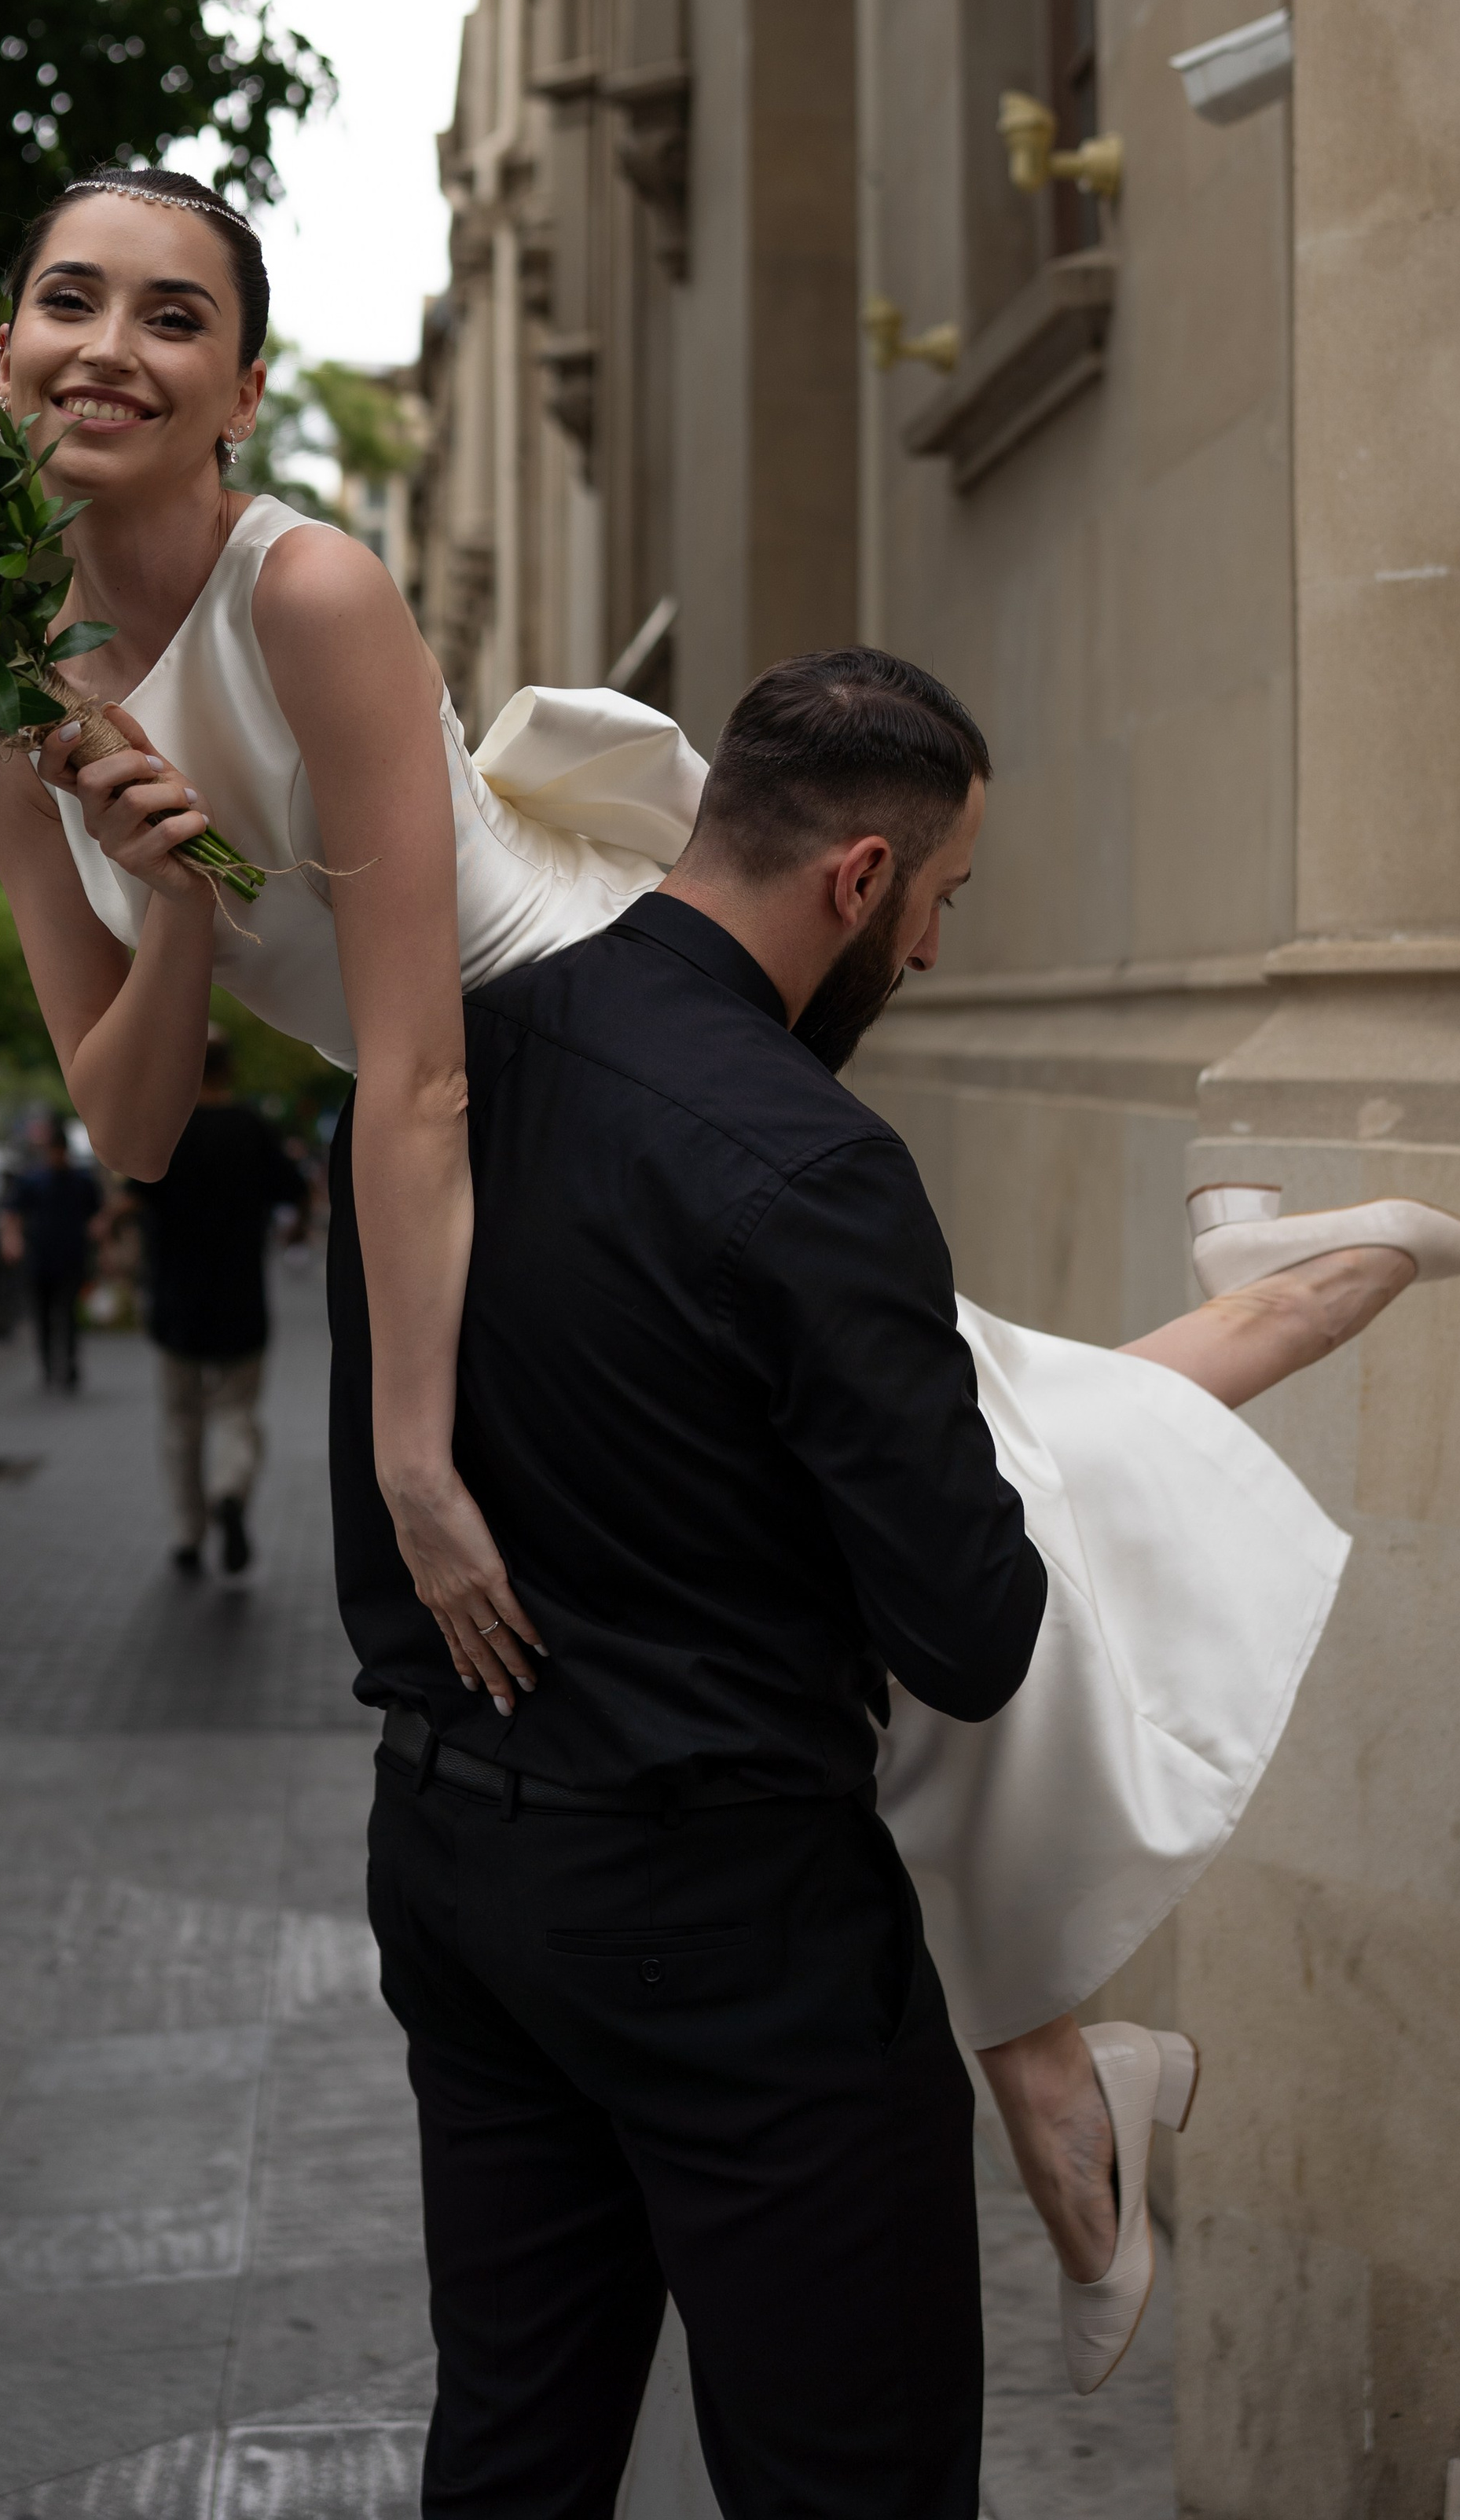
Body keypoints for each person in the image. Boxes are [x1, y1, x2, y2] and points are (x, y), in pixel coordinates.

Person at [0, 167, 1460, 2411]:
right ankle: (1075, 2010)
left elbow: (414, 1063)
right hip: (452, 1108)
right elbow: (137, 1115)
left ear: (243, 387)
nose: (109, 344)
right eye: (65, 299)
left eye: (171, 317)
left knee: (864, 1519)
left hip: (557, 1026)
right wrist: (175, 883)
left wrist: (410, 1457)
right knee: (884, 1499)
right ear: (5, 345)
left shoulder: (313, 583)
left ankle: (1061, 2038)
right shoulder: (4, 710)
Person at [333, 709, 1049, 2516]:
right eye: (942, 899)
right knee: (848, 2471)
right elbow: (967, 1630)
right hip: (720, 1913)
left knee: (514, 2440)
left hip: (450, 1854)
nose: (935, 948)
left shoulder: (440, 1063)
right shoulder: (808, 1158)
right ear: (859, 877)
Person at [123, 1027, 305, 1581]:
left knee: (181, 1421)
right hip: (241, 1298)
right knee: (237, 1411)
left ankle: (187, 1532)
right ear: (230, 1071)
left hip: (176, 1299)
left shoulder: (165, 1131)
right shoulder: (254, 1129)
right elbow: (293, 1194)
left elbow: (132, 1196)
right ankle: (229, 1489)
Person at [2, 1121, 102, 1391]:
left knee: (68, 1315)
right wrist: (12, 1240)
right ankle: (48, 1368)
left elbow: (97, 1216)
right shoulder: (33, 1180)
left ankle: (68, 1367)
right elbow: (13, 1213)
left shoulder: (81, 1181)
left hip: (71, 1257)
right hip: (41, 1258)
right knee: (44, 1316)